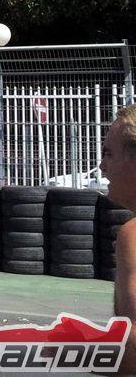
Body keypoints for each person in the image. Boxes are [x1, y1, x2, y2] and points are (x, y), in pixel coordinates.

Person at [100, 104, 136, 373]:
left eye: (109, 154)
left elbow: (132, 355)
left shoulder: (133, 234)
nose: (102, 166)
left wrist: (59, 347)